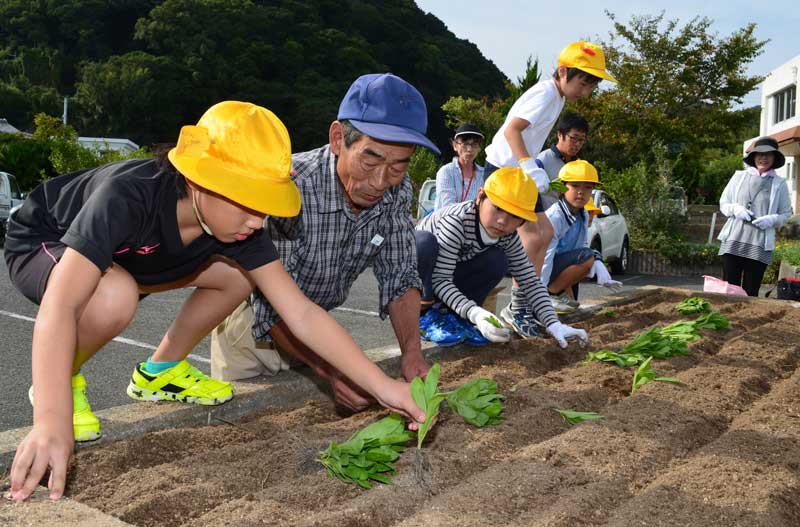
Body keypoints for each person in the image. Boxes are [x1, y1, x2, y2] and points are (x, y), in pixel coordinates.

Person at [5, 101, 425, 502]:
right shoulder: (126, 197)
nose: (257, 222)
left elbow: (300, 311)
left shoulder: (242, 224)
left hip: (132, 262)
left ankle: (160, 370)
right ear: (198, 180)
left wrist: (384, 386)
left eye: (265, 207)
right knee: (114, 296)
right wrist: (51, 420)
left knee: (235, 277)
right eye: (247, 201)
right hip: (47, 240)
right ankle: (63, 380)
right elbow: (60, 306)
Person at [212, 73, 439, 413]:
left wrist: (411, 351)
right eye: (371, 160)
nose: (380, 182)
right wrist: (330, 372)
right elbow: (272, 307)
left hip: (317, 334)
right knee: (241, 427)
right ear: (337, 139)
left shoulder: (397, 192)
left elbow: (400, 275)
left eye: (397, 167)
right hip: (254, 336)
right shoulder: (292, 188)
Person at [483, 41, 616, 338]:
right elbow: (511, 129)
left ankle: (525, 305)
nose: (587, 90)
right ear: (563, 71)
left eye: (592, 85)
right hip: (506, 171)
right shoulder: (545, 93)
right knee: (531, 236)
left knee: (544, 233)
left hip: (520, 172)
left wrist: (528, 168)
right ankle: (517, 309)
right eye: (584, 82)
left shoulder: (558, 98)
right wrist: (530, 165)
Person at [416, 166, 588, 348]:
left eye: (515, 216)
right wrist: (475, 313)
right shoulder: (456, 222)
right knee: (424, 243)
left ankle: (455, 316)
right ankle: (425, 316)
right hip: (421, 273)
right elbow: (441, 279)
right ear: (480, 196)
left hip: (451, 270)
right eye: (498, 208)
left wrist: (553, 323)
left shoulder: (508, 236)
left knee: (498, 260)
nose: (503, 221)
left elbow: (529, 280)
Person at [540, 160, 622, 313]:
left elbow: (581, 245)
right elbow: (546, 255)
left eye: (588, 187)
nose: (581, 192)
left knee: (573, 306)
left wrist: (597, 262)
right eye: (575, 186)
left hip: (560, 265)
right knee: (587, 257)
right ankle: (550, 294)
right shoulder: (556, 216)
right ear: (563, 187)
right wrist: (540, 294)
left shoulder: (583, 213)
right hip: (543, 268)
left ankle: (558, 296)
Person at [718, 136, 792, 296]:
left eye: (768, 155)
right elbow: (723, 203)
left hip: (759, 244)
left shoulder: (779, 183)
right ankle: (730, 319)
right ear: (753, 157)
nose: (763, 158)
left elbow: (787, 213)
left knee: (751, 291)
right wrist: (734, 209)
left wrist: (773, 219)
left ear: (774, 158)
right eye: (759, 154)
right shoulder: (738, 177)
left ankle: (747, 320)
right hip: (734, 240)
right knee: (729, 290)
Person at [537, 112, 589, 210]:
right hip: (544, 219)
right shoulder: (542, 160)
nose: (577, 144)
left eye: (581, 140)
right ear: (560, 134)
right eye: (573, 138)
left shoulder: (580, 166)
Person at [434, 123, 486, 210]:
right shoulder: (446, 171)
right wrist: (476, 206)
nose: (469, 149)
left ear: (479, 148)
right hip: (447, 222)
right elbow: (447, 207)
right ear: (455, 146)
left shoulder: (484, 174)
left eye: (474, 144)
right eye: (465, 144)